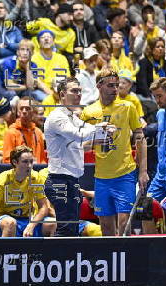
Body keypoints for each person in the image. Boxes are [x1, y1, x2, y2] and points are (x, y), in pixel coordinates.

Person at [80, 68, 149, 236]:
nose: (115, 90)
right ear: (99, 86)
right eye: (111, 85)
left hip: (125, 174)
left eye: (117, 86)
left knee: (125, 224)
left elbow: (140, 138)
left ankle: (127, 260)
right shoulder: (88, 112)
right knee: (106, 226)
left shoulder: (128, 107)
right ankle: (112, 260)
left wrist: (143, 171)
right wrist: (97, 138)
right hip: (102, 178)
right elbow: (81, 144)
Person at [44, 76, 115, 236]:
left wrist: (104, 133)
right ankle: (57, 260)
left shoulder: (71, 117)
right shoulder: (57, 117)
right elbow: (77, 134)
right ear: (62, 95)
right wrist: (100, 127)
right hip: (59, 181)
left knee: (72, 230)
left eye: (80, 91)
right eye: (74, 91)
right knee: (65, 231)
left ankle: (65, 260)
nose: (79, 95)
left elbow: (85, 132)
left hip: (71, 181)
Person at [0, 145, 49, 237]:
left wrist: (31, 225)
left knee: (50, 224)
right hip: (4, 217)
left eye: (31, 161)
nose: (30, 166)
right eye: (25, 162)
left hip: (27, 218)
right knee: (10, 223)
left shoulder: (35, 177)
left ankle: (46, 251)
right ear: (15, 162)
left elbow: (43, 207)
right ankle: (4, 251)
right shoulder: (1, 180)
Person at [2, 96, 47, 164]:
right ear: (18, 113)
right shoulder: (11, 133)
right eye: (21, 109)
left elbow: (42, 159)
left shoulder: (38, 132)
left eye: (28, 108)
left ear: (34, 112)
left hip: (38, 172)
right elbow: (7, 161)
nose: (24, 111)